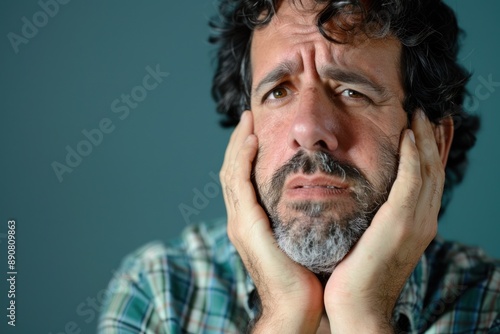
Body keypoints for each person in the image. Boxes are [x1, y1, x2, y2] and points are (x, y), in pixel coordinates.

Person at [98, 0, 500, 332]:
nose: (308, 129)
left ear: (435, 142)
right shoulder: (161, 290)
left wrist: (362, 312)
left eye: (351, 90)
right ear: (244, 135)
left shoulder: (488, 304)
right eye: (278, 91)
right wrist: (283, 313)